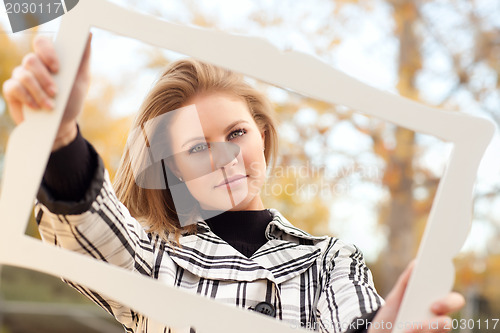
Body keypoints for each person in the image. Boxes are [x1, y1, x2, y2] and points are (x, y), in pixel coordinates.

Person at [2, 34, 465, 333]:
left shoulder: (331, 263)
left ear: (261, 134)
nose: (225, 158)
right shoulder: (153, 257)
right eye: (198, 148)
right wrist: (61, 135)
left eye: (236, 133)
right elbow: (91, 229)